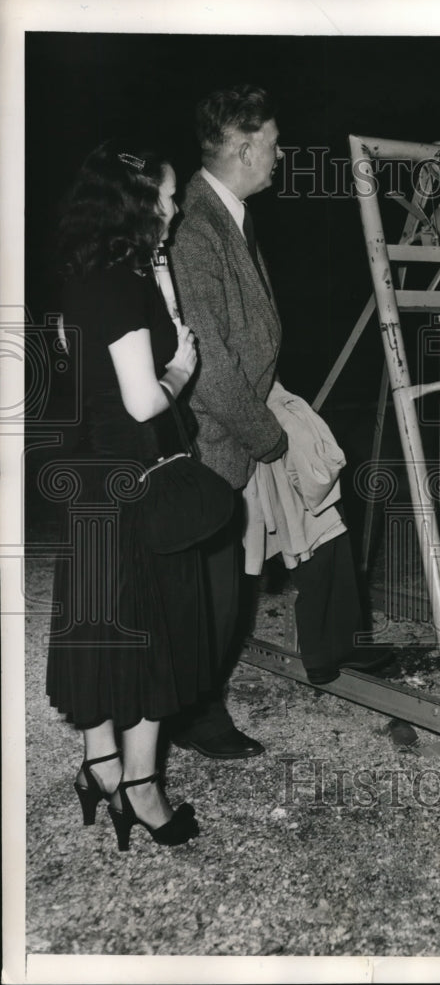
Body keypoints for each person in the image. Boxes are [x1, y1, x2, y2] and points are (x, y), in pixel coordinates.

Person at [169, 85, 388, 759]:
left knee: (319, 505)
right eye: (271, 141)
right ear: (240, 146)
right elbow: (205, 358)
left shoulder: (229, 214)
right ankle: (194, 712)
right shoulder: (196, 227)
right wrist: (266, 436)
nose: (280, 153)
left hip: (253, 410)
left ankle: (333, 648)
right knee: (217, 584)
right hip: (219, 434)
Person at [46, 140, 208, 849]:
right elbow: (144, 401)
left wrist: (160, 268)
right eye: (165, 195)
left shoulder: (82, 280)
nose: (173, 206)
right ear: (134, 201)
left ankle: (102, 768)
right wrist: (181, 370)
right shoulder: (122, 283)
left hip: (88, 481)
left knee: (99, 633)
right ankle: (140, 790)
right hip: (135, 485)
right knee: (149, 637)